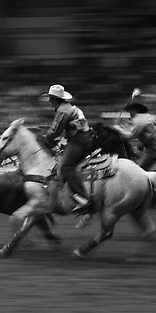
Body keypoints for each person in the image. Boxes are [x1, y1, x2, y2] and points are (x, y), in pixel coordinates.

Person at [40, 84, 94, 225]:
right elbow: (68, 129)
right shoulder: (70, 108)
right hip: (83, 139)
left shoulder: (63, 111)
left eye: (51, 99)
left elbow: (55, 131)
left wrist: (44, 138)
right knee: (65, 165)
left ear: (56, 99)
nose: (50, 102)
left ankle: (83, 199)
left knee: (66, 168)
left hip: (79, 141)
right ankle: (67, 198)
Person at [113, 102, 156, 170]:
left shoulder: (139, 120)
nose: (130, 113)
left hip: (152, 149)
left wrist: (118, 129)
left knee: (138, 170)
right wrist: (123, 125)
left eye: (130, 111)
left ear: (135, 110)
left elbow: (131, 136)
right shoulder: (147, 117)